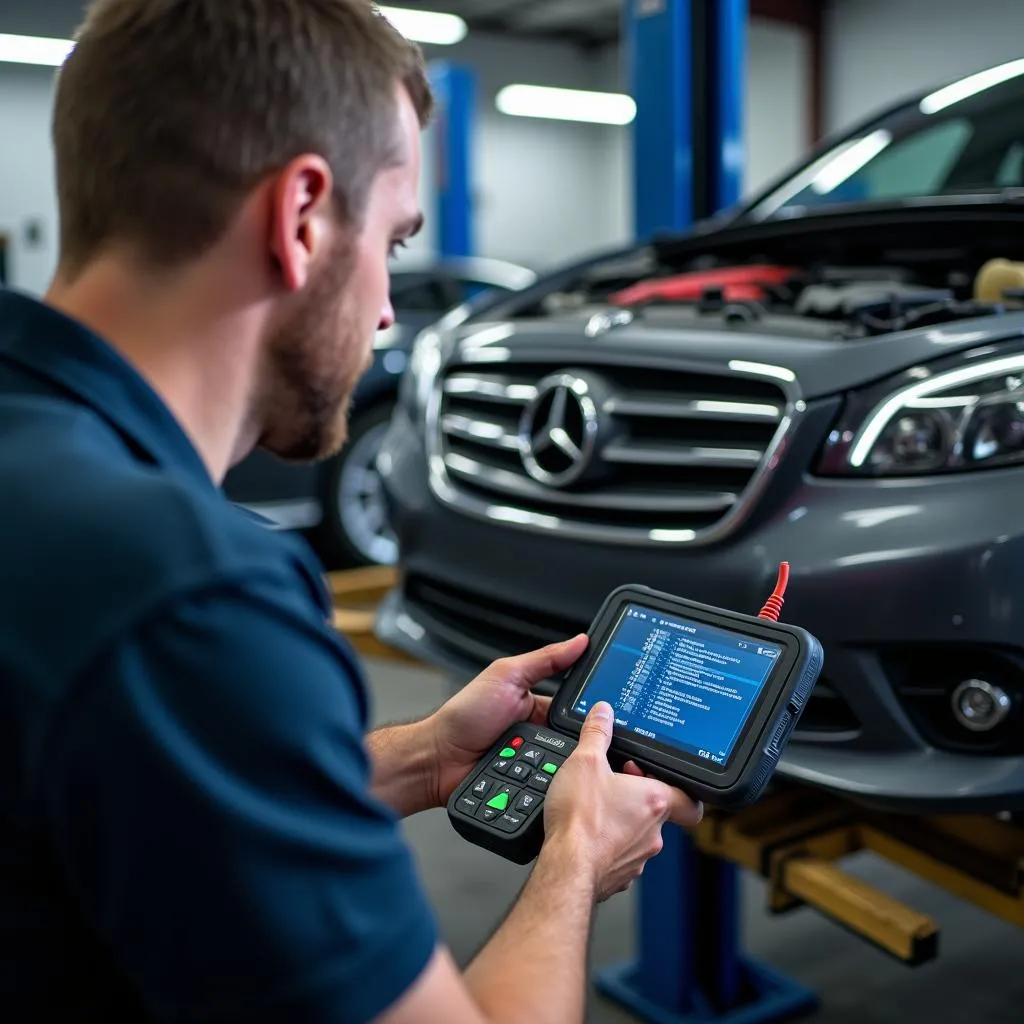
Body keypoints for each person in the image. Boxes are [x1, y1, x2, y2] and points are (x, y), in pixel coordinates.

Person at [0, 1, 703, 1021]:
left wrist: (427, 755)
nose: (384, 309)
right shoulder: (191, 598)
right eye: (392, 238)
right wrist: (574, 860)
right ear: (300, 218)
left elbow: (150, 808)